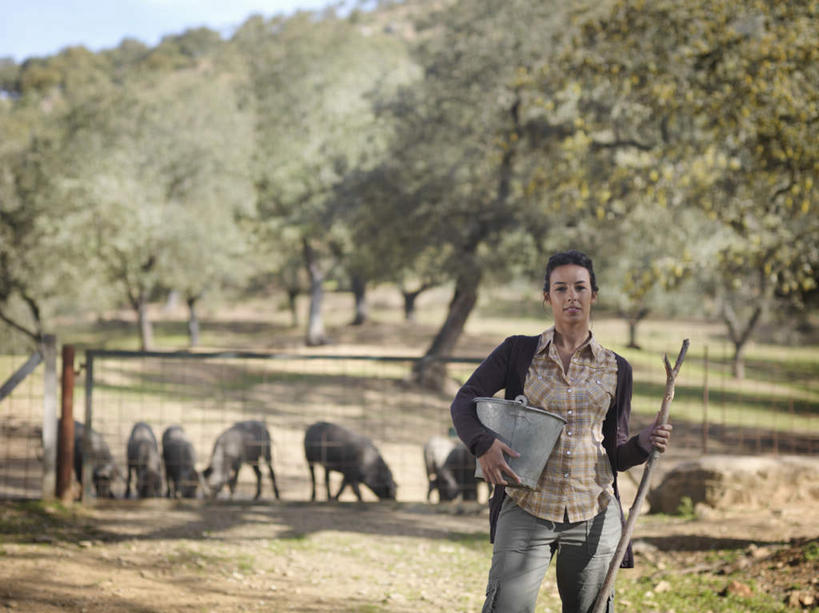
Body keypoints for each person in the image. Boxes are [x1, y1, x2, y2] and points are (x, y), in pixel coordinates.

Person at [450, 249, 672, 613]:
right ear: (547, 297)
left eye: (580, 287)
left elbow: (615, 452)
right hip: (526, 508)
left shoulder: (618, 368)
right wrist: (483, 443)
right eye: (561, 288)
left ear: (593, 295)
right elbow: (465, 400)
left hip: (593, 515)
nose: (572, 296)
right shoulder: (518, 353)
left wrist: (644, 443)